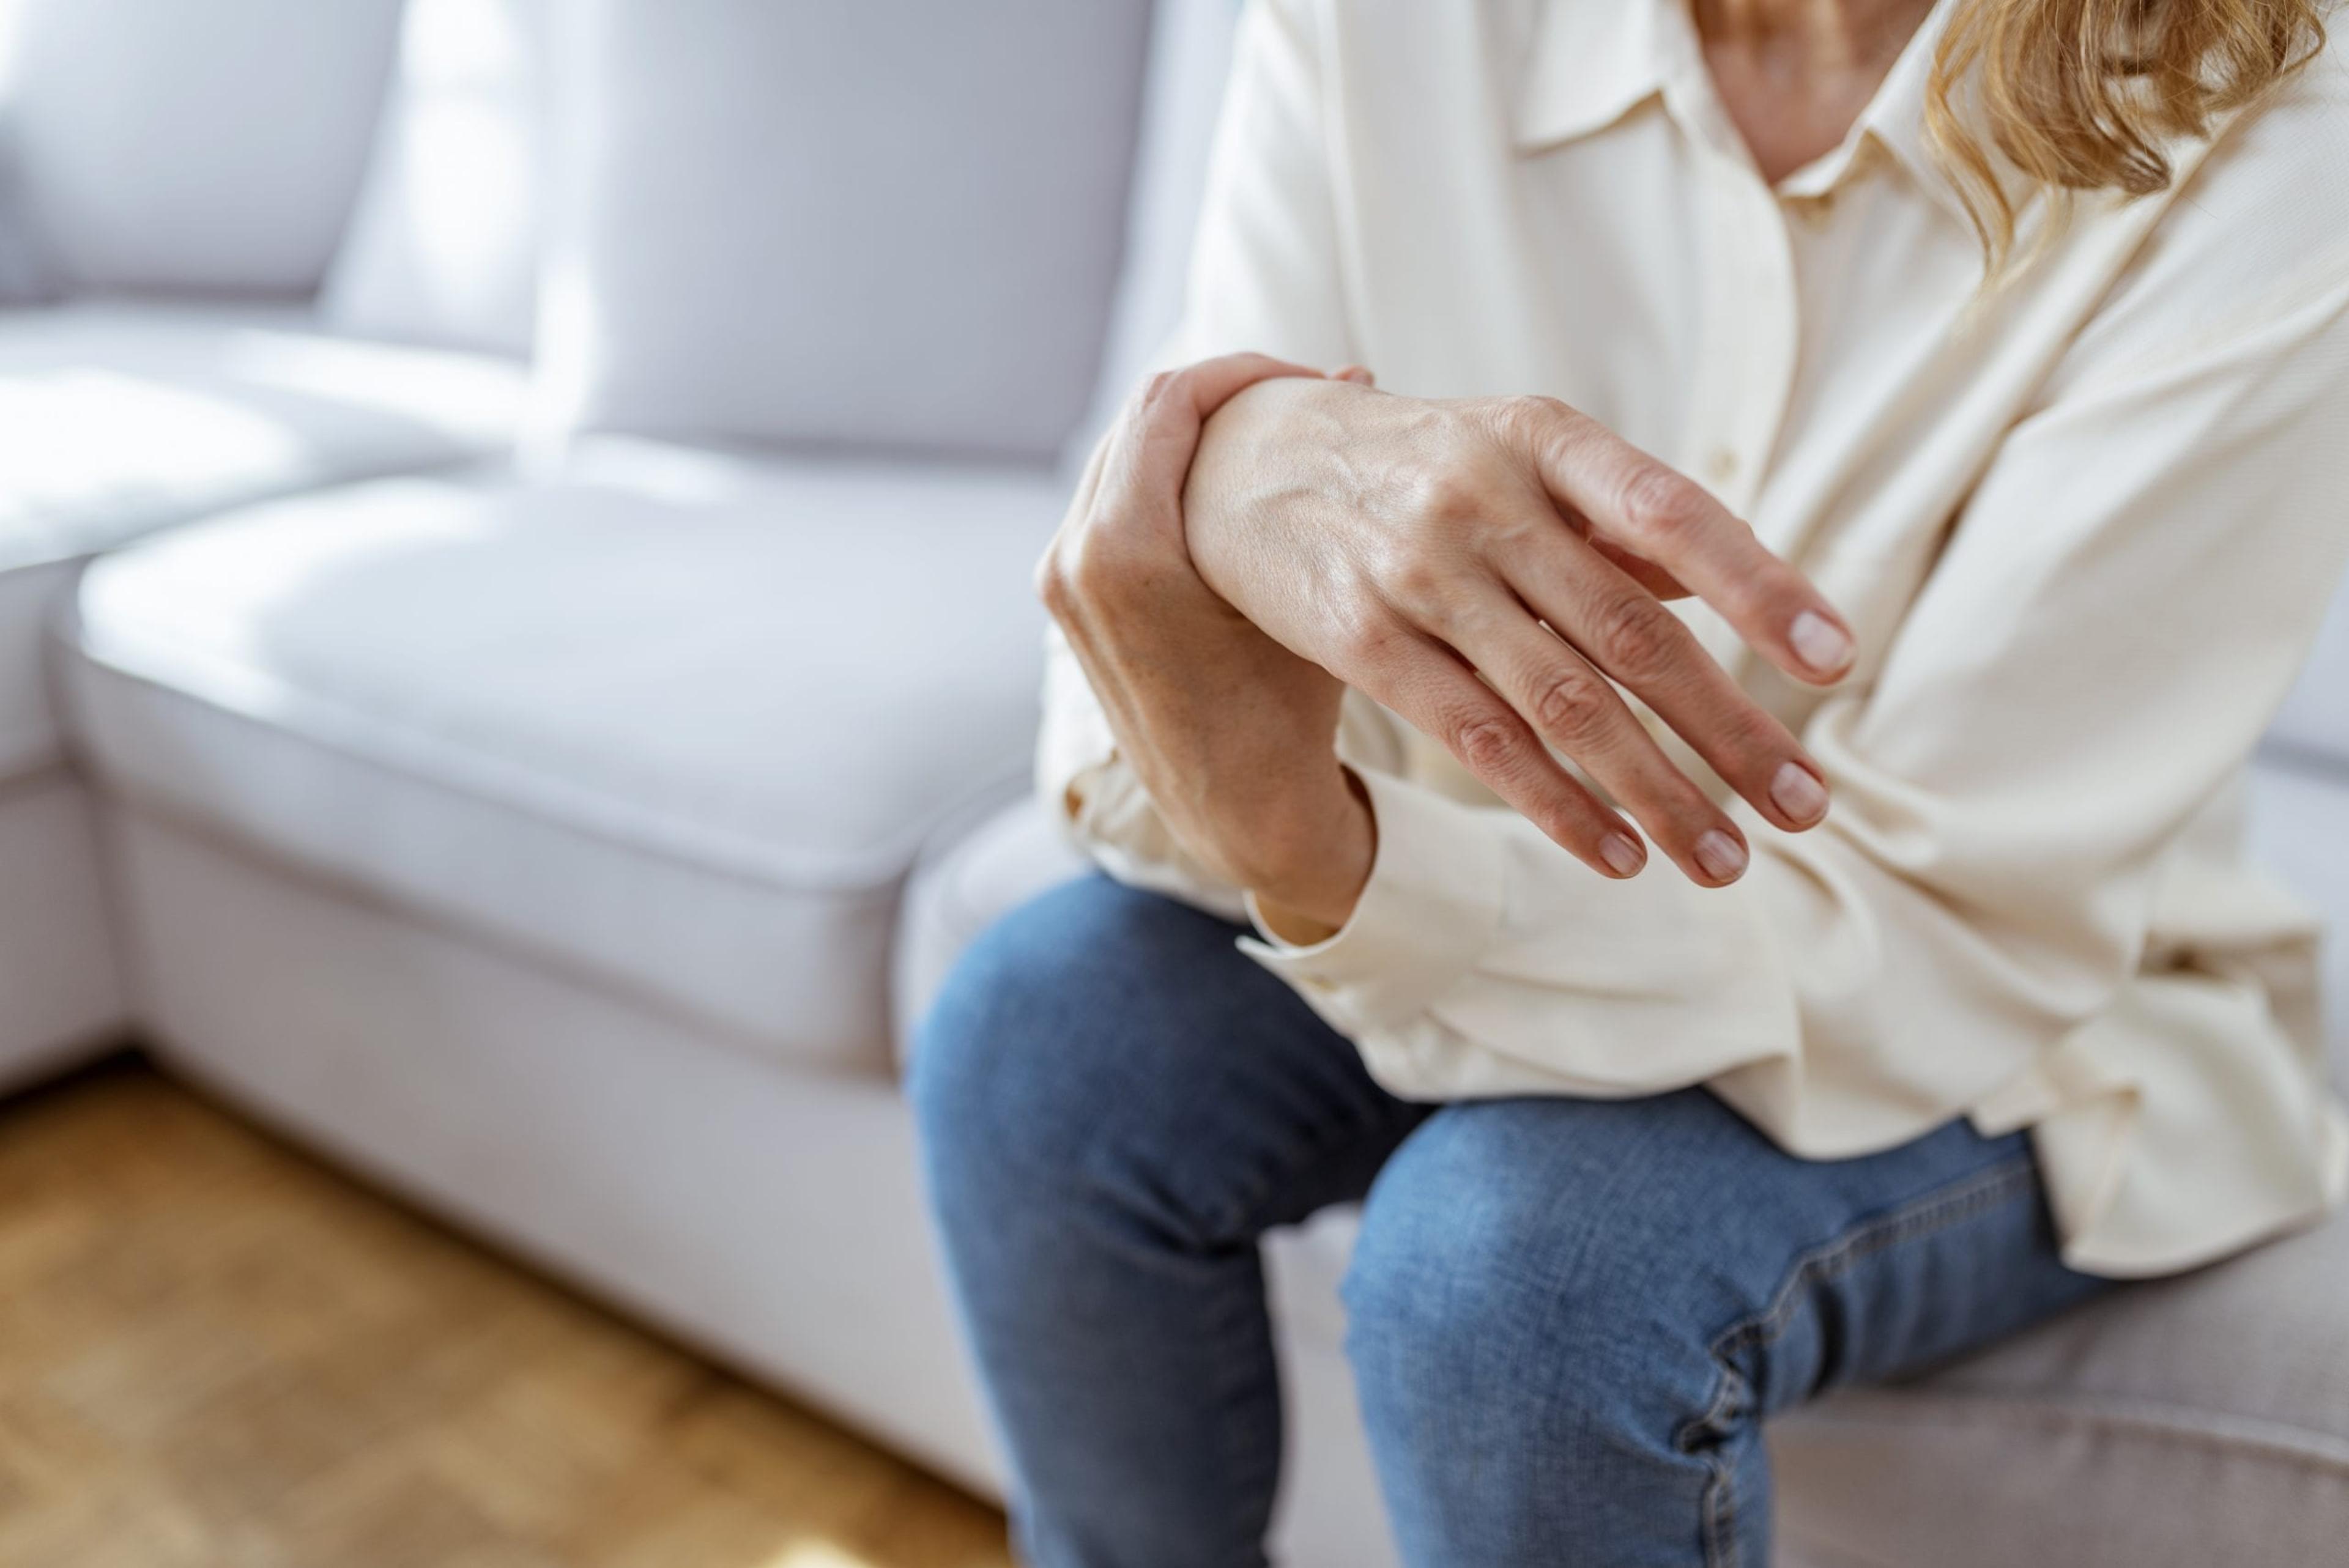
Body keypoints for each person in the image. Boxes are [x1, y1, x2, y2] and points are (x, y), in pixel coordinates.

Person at [913, 1, 2349, 1562]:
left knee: (1523, 1277)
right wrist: (1229, 469)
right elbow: (1135, 670)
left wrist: (1319, 852)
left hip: (2035, 1018)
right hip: (1486, 862)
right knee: (1036, 1034)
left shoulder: (2274, 121)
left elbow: (1938, 919)